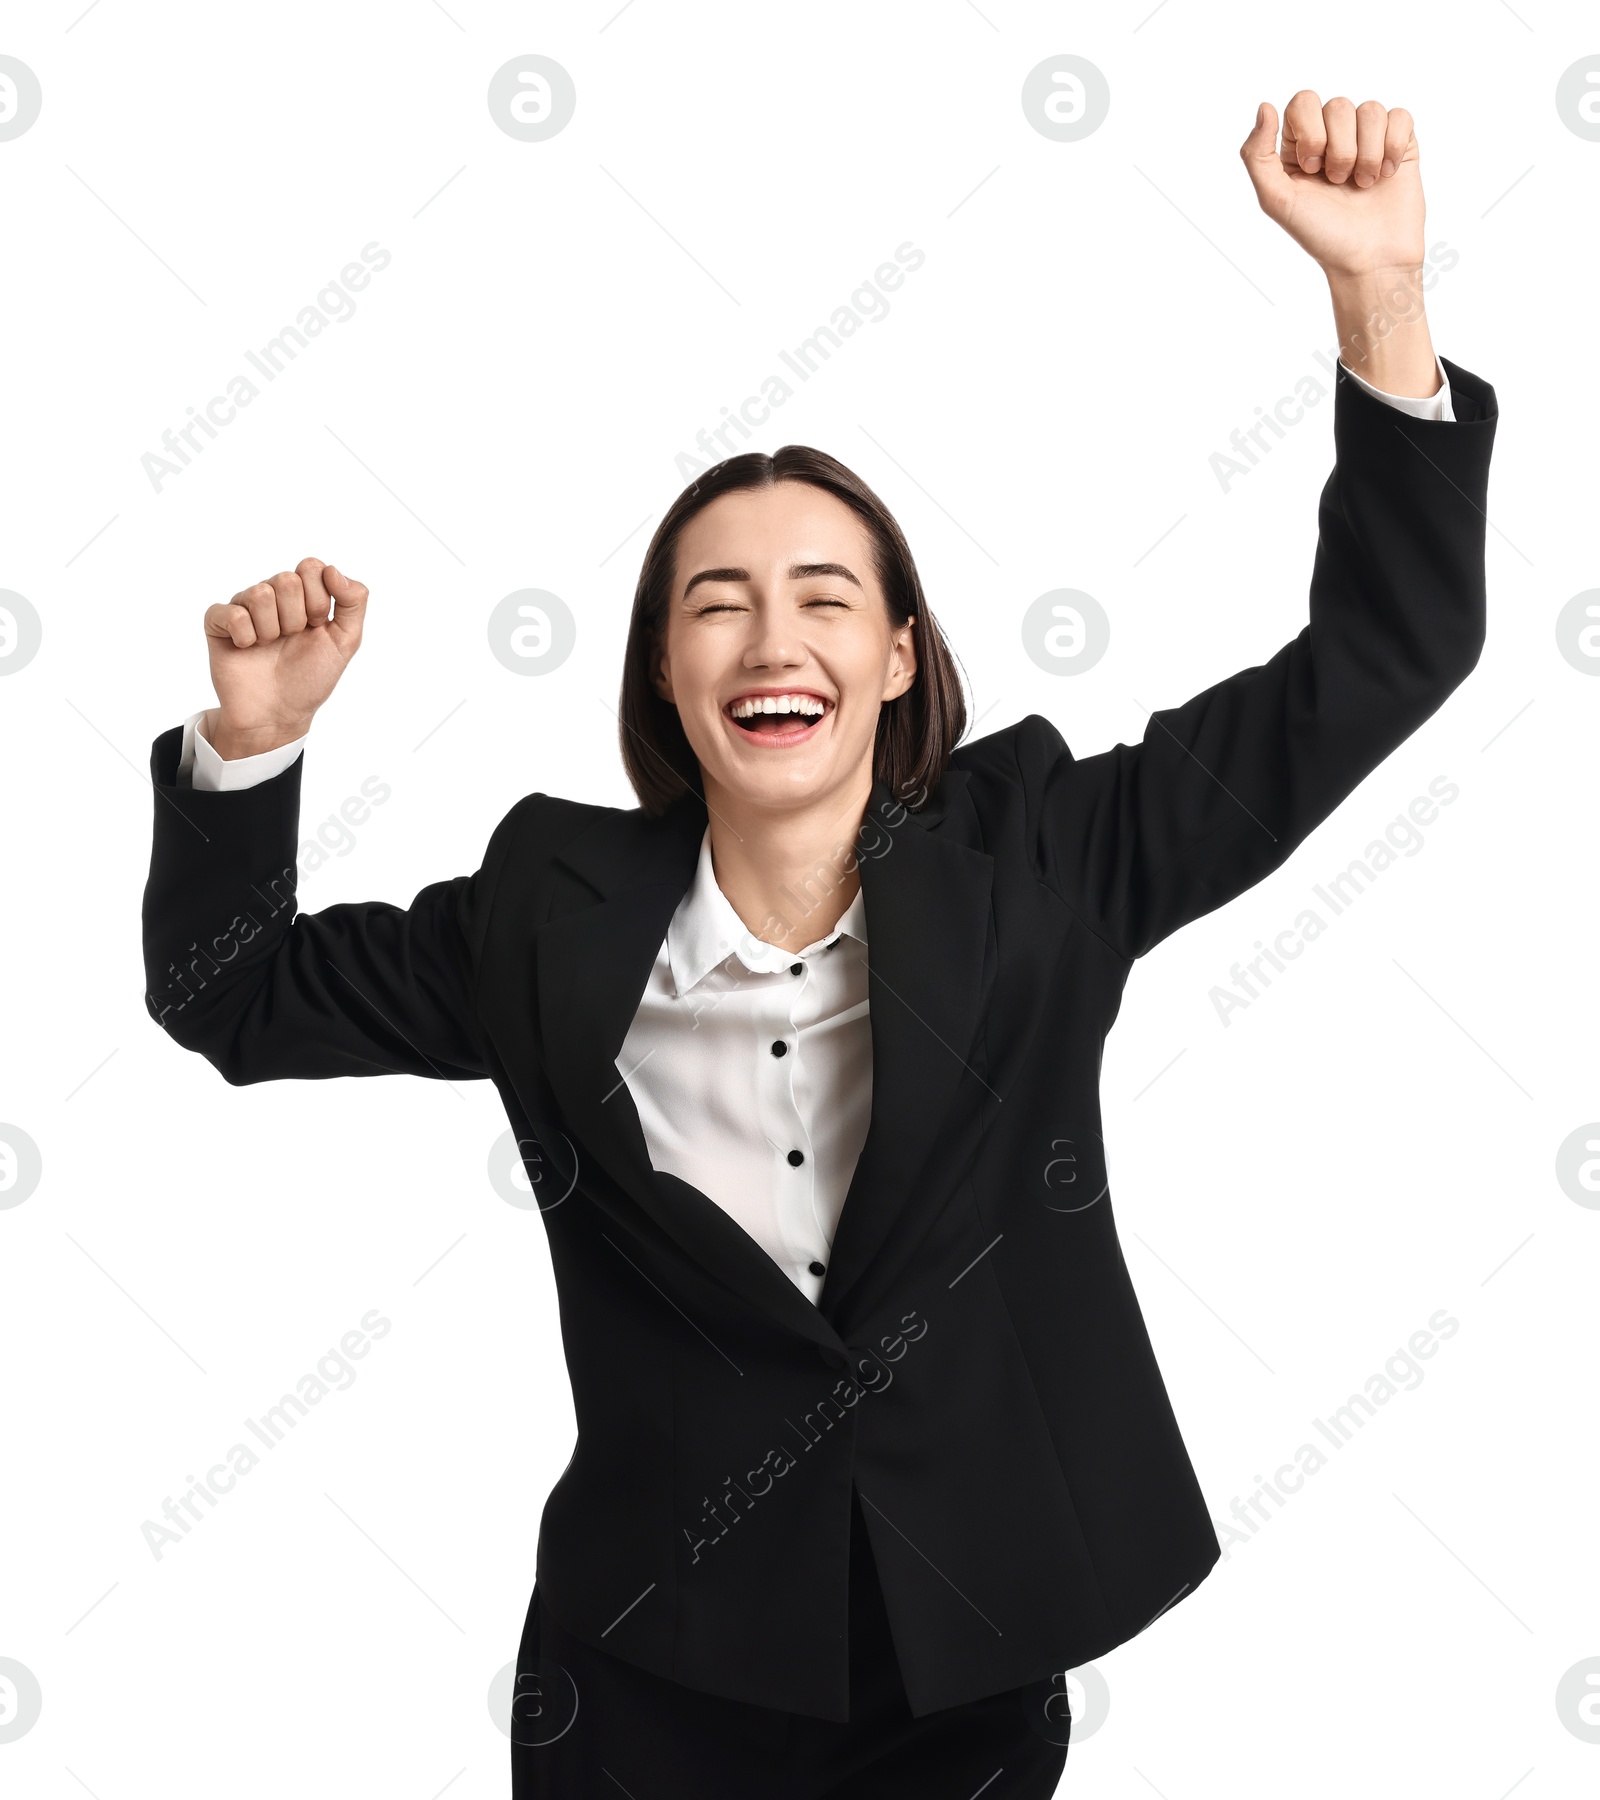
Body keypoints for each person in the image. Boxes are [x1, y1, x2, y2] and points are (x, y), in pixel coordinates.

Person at [142, 93, 1497, 1797]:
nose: (771, 637)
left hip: (965, 1681)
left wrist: (1379, 300)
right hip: (643, 1682)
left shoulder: (1048, 865)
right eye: (717, 603)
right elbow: (230, 997)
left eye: (823, 597)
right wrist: (251, 745)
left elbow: (1386, 656)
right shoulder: (542, 923)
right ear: (662, 674)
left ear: (900, 657)